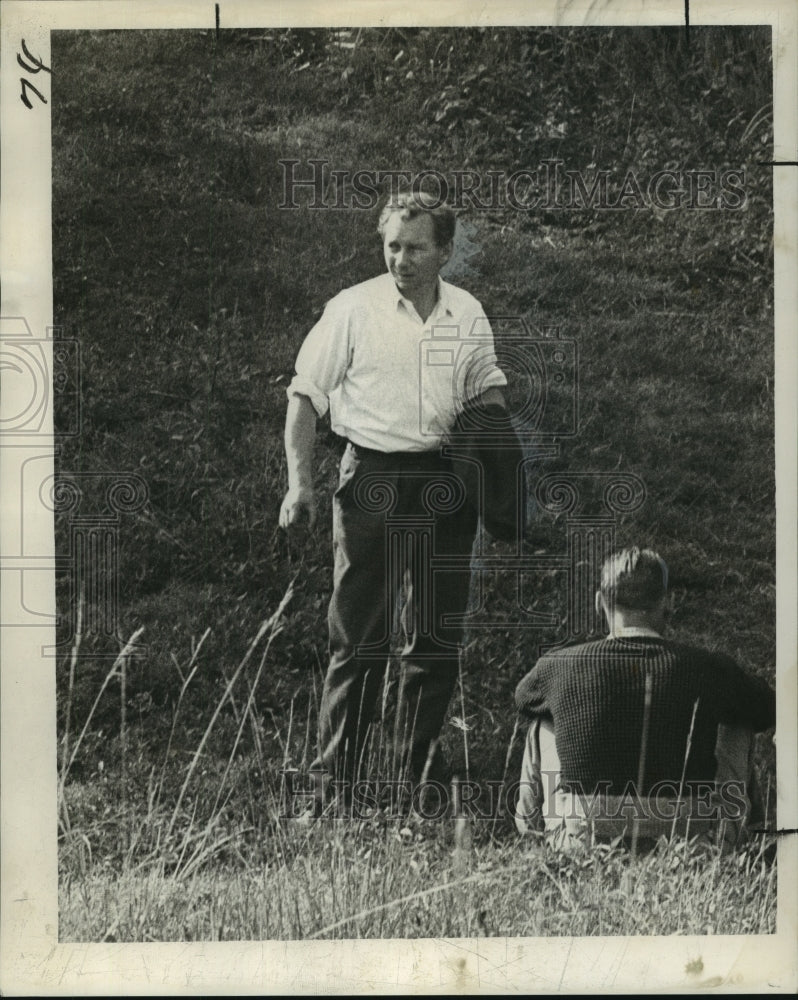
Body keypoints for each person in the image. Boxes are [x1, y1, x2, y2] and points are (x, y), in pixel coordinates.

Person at [279, 191, 508, 807]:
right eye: (392, 246)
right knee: (358, 639)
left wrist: (502, 478)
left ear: (446, 252)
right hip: (372, 482)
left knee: (433, 641)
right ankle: (336, 791)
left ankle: (417, 781)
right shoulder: (353, 310)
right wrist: (300, 482)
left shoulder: (468, 313)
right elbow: (305, 398)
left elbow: (488, 397)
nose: (401, 260)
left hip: (445, 486)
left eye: (415, 248)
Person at [513, 546, 775, 848]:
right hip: (688, 835)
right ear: (669, 602)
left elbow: (523, 698)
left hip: (581, 834)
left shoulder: (556, 666)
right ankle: (745, 833)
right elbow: (767, 708)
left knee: (543, 715)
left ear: (600, 603)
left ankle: (534, 830)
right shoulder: (711, 668)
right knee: (738, 717)